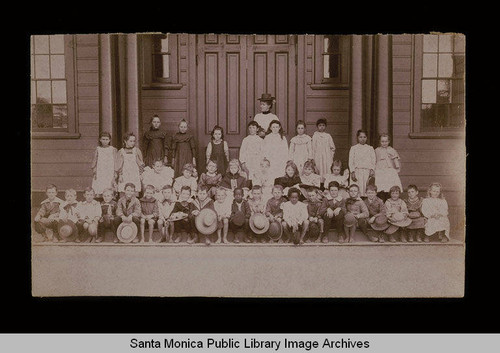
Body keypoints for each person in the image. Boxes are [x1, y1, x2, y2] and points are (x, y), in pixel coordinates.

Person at [374, 133, 402, 202]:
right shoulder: (377, 150)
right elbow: (374, 160)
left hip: (389, 171)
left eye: (386, 141)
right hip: (380, 171)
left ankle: (389, 201)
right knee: (381, 187)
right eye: (382, 141)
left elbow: (395, 159)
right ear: (380, 142)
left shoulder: (391, 150)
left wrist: (397, 167)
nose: (384, 143)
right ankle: (382, 201)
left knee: (389, 186)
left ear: (388, 141)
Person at [116, 132, 145, 198]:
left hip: (134, 174)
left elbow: (141, 164)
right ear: (125, 141)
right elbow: (119, 165)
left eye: (134, 141)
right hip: (125, 174)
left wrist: (140, 174)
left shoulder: (136, 151)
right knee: (123, 191)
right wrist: (120, 175)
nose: (132, 143)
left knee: (134, 191)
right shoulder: (121, 151)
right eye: (130, 141)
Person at [348, 129, 376, 197]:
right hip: (357, 171)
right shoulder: (354, 148)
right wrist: (352, 171)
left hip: (367, 171)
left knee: (366, 188)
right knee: (357, 188)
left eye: (364, 137)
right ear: (357, 138)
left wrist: (372, 169)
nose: (362, 139)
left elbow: (373, 160)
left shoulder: (370, 148)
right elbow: (351, 161)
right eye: (360, 137)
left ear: (367, 138)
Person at [91, 131, 118, 199]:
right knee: (100, 186)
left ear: (109, 140)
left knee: (109, 186)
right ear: (100, 140)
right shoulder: (98, 149)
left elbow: (115, 161)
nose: (105, 141)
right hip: (100, 170)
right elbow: (95, 160)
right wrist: (94, 170)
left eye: (107, 139)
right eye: (103, 139)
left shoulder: (113, 149)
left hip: (109, 171)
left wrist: (115, 172)